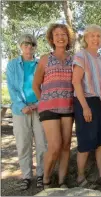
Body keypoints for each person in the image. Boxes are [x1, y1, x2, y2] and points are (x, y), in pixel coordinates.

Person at [72, 24, 101, 189]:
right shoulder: (81, 55)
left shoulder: (99, 58)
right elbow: (76, 82)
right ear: (86, 38)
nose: (96, 39)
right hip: (86, 102)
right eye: (92, 35)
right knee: (85, 143)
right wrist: (85, 108)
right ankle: (80, 178)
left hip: (100, 103)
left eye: (99, 36)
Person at [33, 23, 75, 188]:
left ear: (68, 38)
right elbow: (36, 85)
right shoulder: (45, 58)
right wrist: (43, 101)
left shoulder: (74, 59)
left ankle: (62, 180)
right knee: (55, 145)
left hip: (68, 107)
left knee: (66, 146)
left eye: (64, 34)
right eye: (57, 34)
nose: (60, 37)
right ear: (52, 39)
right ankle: (46, 178)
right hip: (49, 108)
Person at [6, 34, 47, 190]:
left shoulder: (41, 64)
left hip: (40, 107)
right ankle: (26, 175)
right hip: (20, 110)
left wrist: (38, 103)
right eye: (25, 44)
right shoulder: (12, 65)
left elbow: (45, 85)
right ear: (20, 46)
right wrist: (22, 105)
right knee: (23, 144)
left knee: (42, 143)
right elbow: (12, 88)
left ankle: (41, 175)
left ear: (35, 46)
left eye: (31, 44)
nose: (28, 46)